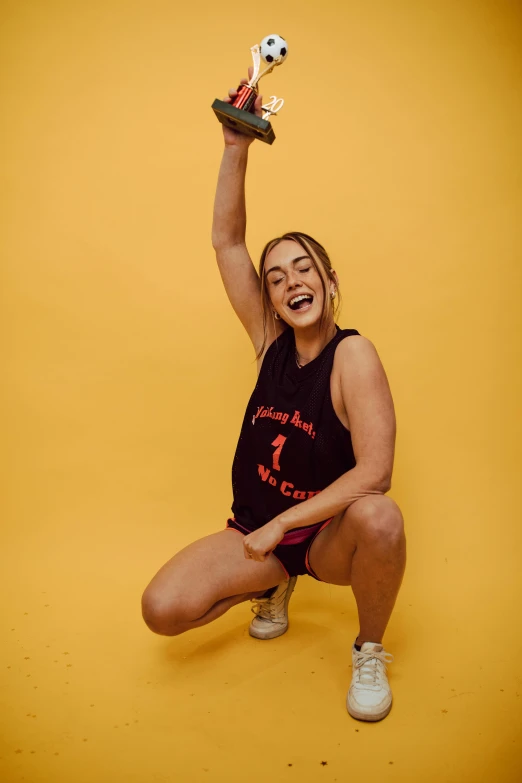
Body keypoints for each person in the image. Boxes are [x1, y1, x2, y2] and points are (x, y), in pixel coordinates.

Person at [141, 68, 407, 722]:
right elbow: (226, 241)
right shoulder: (269, 340)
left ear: (329, 281)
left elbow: (376, 473)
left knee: (383, 516)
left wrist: (288, 524)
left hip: (320, 538)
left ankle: (369, 646)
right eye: (277, 275)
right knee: (162, 608)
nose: (291, 281)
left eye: (304, 268)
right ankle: (273, 585)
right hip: (257, 535)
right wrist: (236, 148)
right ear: (270, 297)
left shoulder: (353, 355)